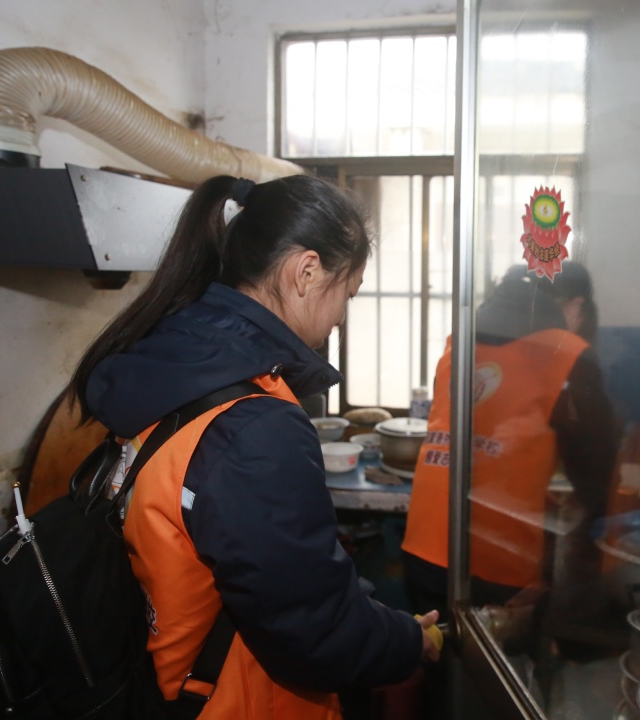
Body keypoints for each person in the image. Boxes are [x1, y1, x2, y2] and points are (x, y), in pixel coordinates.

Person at [68, 174, 439, 719]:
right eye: (349, 293)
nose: (341, 318)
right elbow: (316, 634)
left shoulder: (169, 366)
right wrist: (411, 641)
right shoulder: (253, 425)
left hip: (168, 684)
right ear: (305, 272)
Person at [401, 261, 620, 621]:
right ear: (576, 305)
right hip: (498, 558)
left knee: (436, 649)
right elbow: (596, 468)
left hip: (424, 544)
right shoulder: (566, 352)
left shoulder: (462, 338)